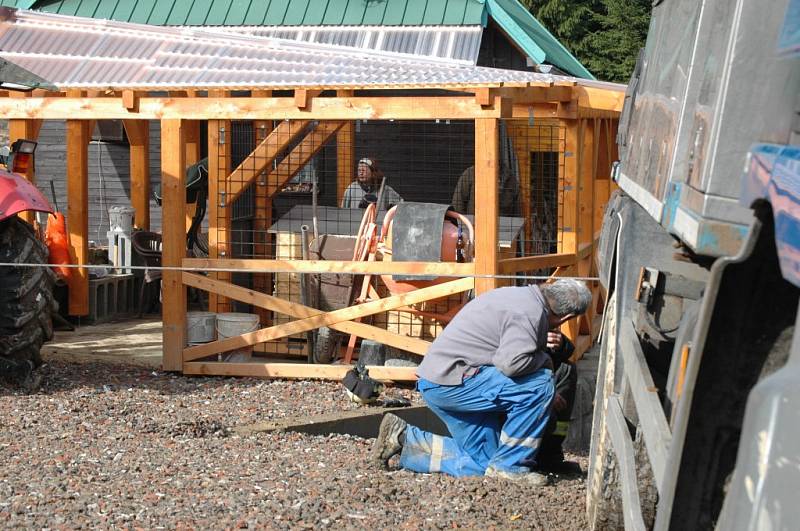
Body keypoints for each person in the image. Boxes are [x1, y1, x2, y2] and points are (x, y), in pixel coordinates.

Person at [371, 279, 592, 486]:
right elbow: (512, 364)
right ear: (566, 318)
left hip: (441, 381)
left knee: (485, 465)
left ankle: (403, 438)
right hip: (454, 383)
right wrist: (545, 368)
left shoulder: (521, 297)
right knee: (540, 384)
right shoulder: (530, 313)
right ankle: (510, 467)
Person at [451, 164, 520, 217]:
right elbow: (458, 203)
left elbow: (517, 211)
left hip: (503, 228)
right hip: (473, 226)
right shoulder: (470, 173)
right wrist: (462, 226)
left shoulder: (511, 179)